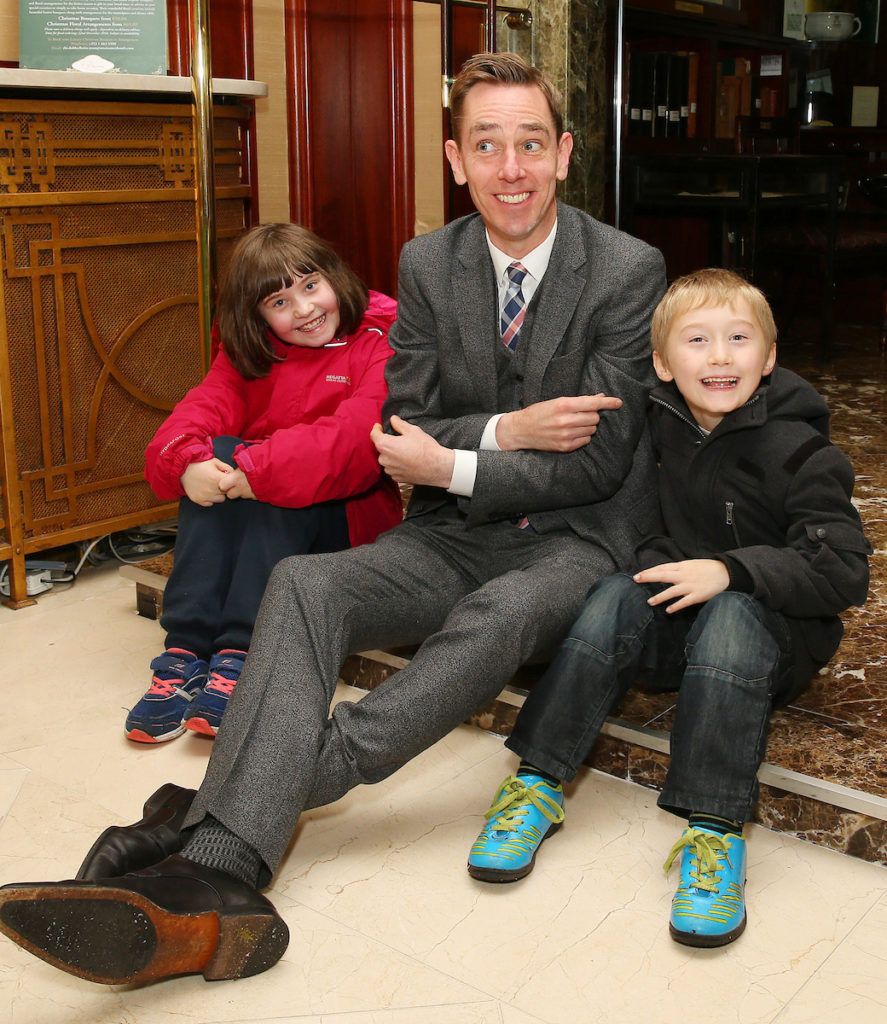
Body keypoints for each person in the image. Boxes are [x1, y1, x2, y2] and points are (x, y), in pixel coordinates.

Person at [0, 52, 666, 985]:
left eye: (527, 144)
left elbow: (597, 456)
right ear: (455, 157)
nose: (508, 168)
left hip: (572, 540)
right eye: (486, 145)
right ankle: (223, 850)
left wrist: (452, 458)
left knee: (500, 616)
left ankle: (203, 830)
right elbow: (411, 421)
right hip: (447, 529)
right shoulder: (429, 263)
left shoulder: (628, 269)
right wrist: (505, 432)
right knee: (307, 583)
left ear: (561, 153)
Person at [467, 268, 871, 948]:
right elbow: (654, 530)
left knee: (734, 613)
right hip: (684, 631)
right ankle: (536, 784)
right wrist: (657, 565)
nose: (719, 356)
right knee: (612, 595)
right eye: (697, 340)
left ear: (767, 358)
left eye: (738, 339)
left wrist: (730, 570)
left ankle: (713, 834)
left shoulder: (803, 452)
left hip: (771, 641)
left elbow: (842, 573)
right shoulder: (661, 431)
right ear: (661, 362)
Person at [125, 223, 403, 743]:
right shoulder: (251, 352)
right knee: (215, 454)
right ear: (256, 316)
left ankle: (242, 655)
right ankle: (184, 654)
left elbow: (354, 444)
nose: (303, 309)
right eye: (279, 301)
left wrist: (255, 471)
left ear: (334, 277)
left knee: (264, 464)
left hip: (347, 520)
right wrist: (186, 462)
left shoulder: (380, 341)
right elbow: (202, 408)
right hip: (262, 517)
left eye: (310, 285)